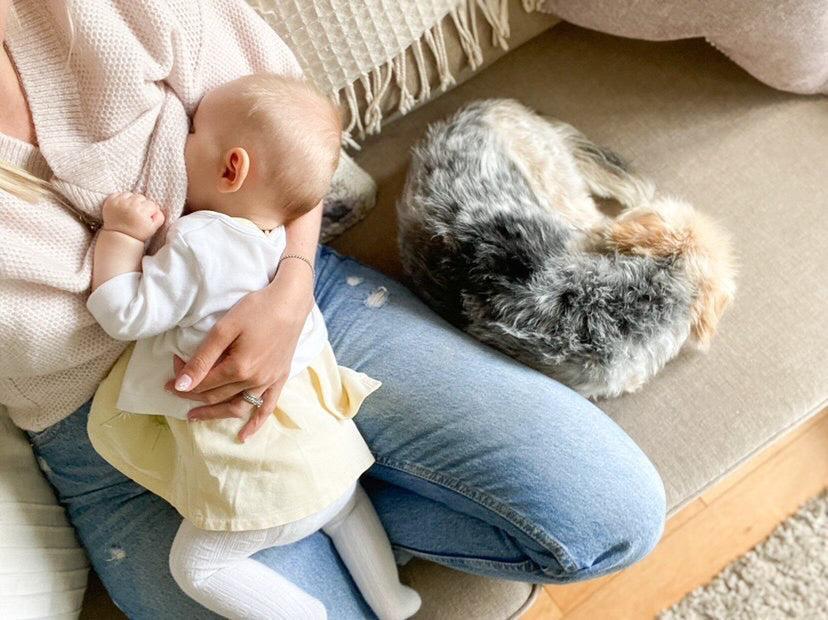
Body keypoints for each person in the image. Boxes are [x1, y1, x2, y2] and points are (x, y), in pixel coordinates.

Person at [0, 0, 666, 617]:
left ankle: (318, 485)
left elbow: (294, 142)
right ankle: (328, 490)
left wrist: (289, 289)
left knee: (612, 517)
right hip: (105, 426)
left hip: (294, 307)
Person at [83, 73, 422, 619]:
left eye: (192, 132)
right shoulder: (276, 244)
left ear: (231, 167)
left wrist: (120, 236)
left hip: (259, 481)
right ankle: (394, 599)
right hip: (326, 457)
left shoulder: (200, 242)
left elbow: (124, 314)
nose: (184, 138)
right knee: (347, 510)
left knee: (197, 569)